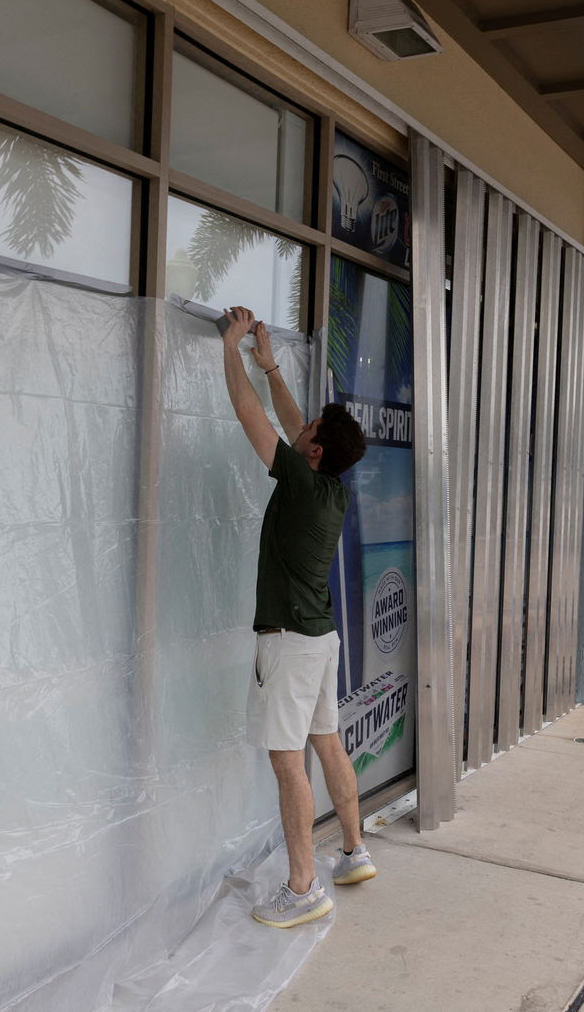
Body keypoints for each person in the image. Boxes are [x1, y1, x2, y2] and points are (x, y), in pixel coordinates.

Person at [219, 305, 374, 929]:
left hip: (288, 643)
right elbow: (290, 422)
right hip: (320, 639)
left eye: (308, 428)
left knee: (288, 761)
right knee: (326, 743)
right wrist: (272, 366)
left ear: (311, 451)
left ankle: (304, 887)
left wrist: (231, 350)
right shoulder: (331, 484)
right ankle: (355, 852)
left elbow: (250, 416)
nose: (300, 426)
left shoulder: (303, 482)